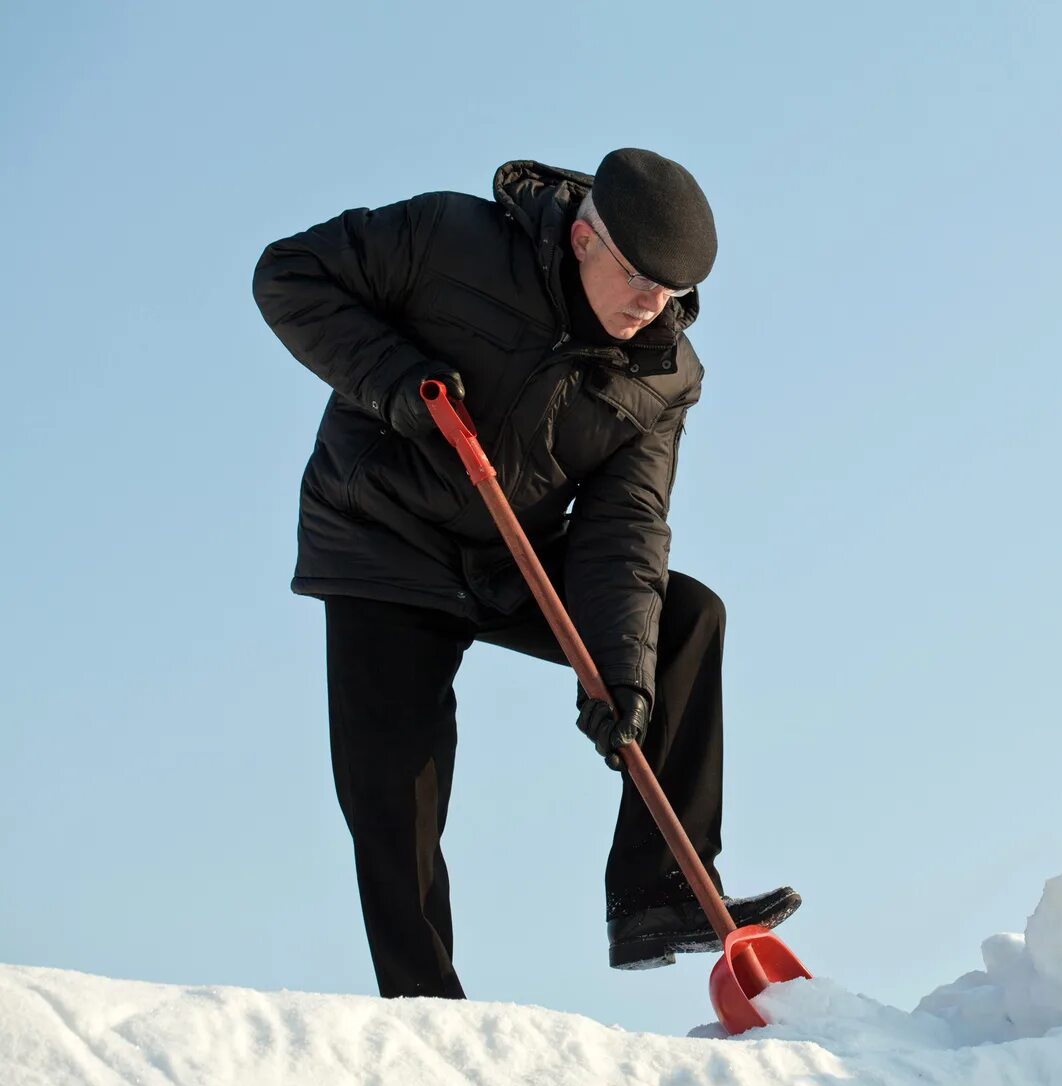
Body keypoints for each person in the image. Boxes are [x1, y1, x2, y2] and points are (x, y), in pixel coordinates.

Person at [252, 149, 799, 999]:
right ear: (585, 237)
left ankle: (661, 891)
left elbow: (625, 527)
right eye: (639, 277)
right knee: (396, 791)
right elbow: (288, 276)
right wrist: (401, 383)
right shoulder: (448, 237)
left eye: (673, 291)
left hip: (513, 557)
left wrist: (623, 681)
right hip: (385, 539)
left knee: (684, 619)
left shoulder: (663, 373)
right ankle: (425, 1004)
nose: (654, 305)